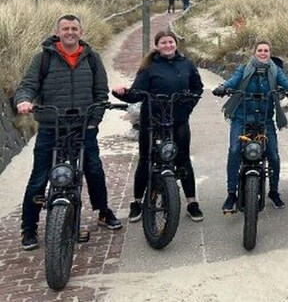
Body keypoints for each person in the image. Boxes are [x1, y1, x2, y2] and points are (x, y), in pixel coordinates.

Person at [15, 14, 122, 251]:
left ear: (81, 32)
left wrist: (94, 121)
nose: (70, 32)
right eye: (66, 28)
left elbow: (100, 93)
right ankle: (29, 227)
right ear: (58, 32)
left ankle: (103, 211)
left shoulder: (92, 58)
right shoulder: (43, 58)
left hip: (83, 127)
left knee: (93, 169)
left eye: (74, 28)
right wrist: (23, 100)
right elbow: (28, 86)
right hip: (51, 128)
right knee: (40, 177)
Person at [112, 30, 206, 222]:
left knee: (183, 160)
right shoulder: (149, 67)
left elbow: (197, 88)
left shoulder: (186, 64)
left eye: (171, 42)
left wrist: (188, 106)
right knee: (146, 160)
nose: (168, 45)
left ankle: (192, 202)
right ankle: (137, 202)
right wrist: (120, 93)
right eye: (163, 43)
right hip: (152, 121)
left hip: (178, 120)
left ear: (176, 44)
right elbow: (136, 93)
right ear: (157, 46)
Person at [212, 41, 288, 211]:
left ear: (270, 53)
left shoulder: (275, 70)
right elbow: (233, 81)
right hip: (241, 118)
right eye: (260, 50)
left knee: (273, 155)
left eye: (266, 50)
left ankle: (274, 191)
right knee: (235, 150)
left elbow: (285, 82)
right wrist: (223, 87)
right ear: (254, 52)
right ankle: (231, 193)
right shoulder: (244, 69)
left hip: (265, 119)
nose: (263, 53)